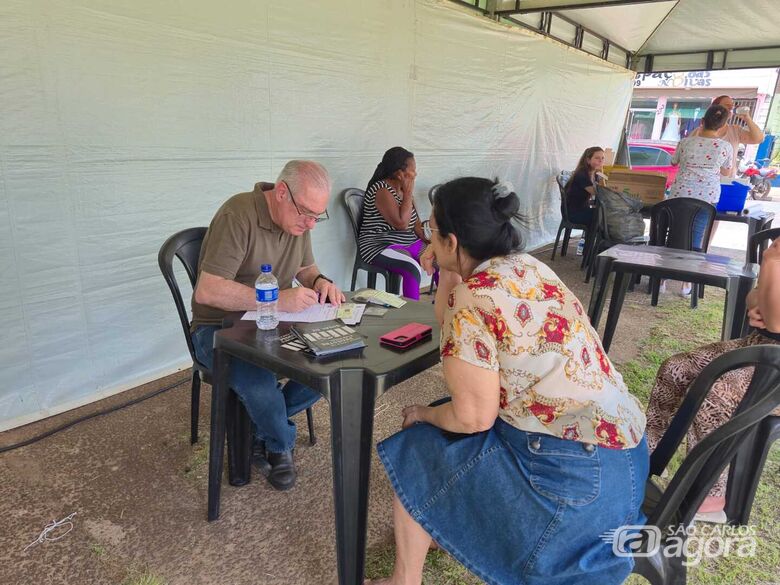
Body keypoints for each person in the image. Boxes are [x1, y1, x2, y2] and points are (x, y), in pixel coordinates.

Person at [370, 177, 648, 585]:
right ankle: (442, 526)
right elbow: (455, 319)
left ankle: (404, 581)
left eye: (431, 229)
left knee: (418, 444)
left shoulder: (473, 298)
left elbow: (473, 418)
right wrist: (448, 271)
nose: (425, 237)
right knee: (458, 428)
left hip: (575, 490)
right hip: (626, 466)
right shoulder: (530, 267)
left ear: (451, 240)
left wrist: (426, 414)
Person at [191, 160, 345, 491]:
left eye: (318, 216)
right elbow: (209, 289)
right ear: (281, 193)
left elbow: (307, 268)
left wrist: (320, 282)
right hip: (217, 329)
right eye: (306, 213)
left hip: (270, 323)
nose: (311, 224)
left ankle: (259, 426)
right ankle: (279, 444)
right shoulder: (239, 214)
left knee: (333, 360)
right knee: (259, 381)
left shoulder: (298, 224)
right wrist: (274, 301)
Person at [645, 237, 780, 523]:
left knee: (716, 393)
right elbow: (755, 297)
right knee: (676, 368)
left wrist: (770, 261)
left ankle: (711, 491)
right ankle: (648, 454)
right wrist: (758, 305)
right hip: (760, 345)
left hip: (775, 364)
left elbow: (777, 321)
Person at [358, 147, 426, 300]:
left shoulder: (404, 191)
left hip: (409, 243)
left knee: (442, 260)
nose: (415, 174)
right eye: (412, 170)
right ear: (399, 173)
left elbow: (416, 226)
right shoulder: (381, 189)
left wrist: (434, 238)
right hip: (380, 245)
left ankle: (447, 310)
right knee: (411, 268)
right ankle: (413, 316)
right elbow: (400, 224)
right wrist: (408, 194)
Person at [691, 95, 765, 177]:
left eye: (732, 106)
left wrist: (747, 118)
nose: (731, 108)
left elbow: (758, 139)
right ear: (715, 108)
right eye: (727, 105)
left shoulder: (735, 130)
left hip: (726, 182)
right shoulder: (699, 131)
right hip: (698, 181)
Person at [564, 146, 605, 226]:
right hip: (574, 213)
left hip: (583, 208)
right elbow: (596, 192)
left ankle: (596, 237)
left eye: (603, 158)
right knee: (605, 216)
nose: (601, 161)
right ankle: (592, 237)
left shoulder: (595, 174)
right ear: (588, 160)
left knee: (605, 214)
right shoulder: (582, 174)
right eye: (597, 158)